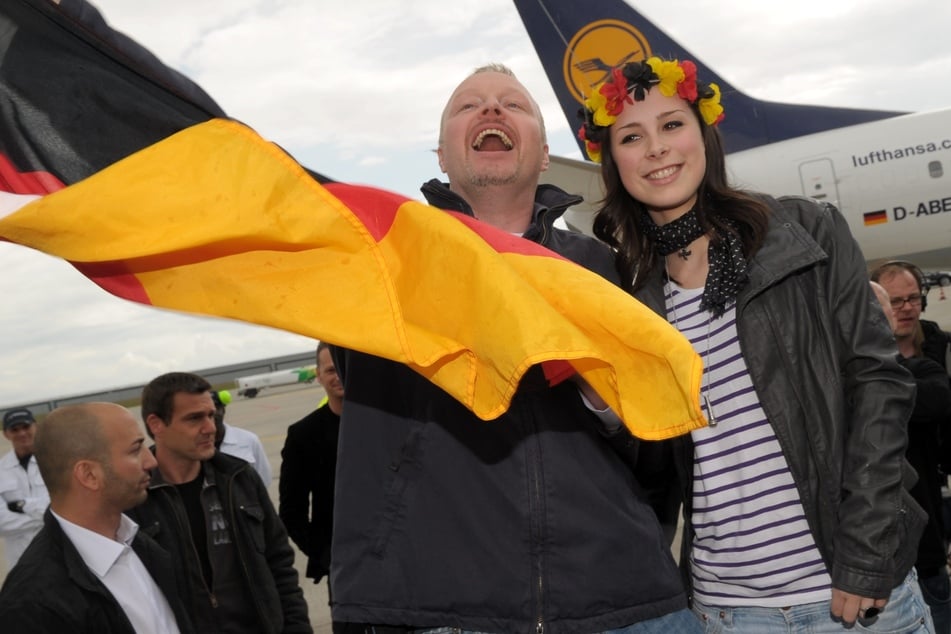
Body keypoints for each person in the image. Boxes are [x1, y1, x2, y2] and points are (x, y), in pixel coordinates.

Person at [330, 64, 698, 633]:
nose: (492, 111)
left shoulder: (606, 269)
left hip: (625, 602)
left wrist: (605, 399)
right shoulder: (380, 267)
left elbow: (662, 446)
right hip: (440, 609)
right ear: (442, 157)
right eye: (467, 106)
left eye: (514, 104)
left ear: (545, 154)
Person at [580, 56, 930, 631]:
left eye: (672, 125)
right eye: (631, 136)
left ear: (703, 135)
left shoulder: (805, 230)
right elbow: (653, 466)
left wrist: (865, 559)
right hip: (727, 611)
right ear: (614, 161)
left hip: (853, 599)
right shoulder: (632, 298)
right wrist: (604, 408)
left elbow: (880, 387)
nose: (657, 149)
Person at [129, 371, 311, 633]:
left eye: (211, 415)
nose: (210, 427)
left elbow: (280, 564)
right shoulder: (135, 497)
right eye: (194, 418)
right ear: (156, 424)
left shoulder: (239, 478)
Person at [0, 402, 193, 633]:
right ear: (89, 475)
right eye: (135, 450)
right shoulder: (32, 604)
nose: (151, 461)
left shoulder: (147, 545)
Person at [871, 275, 951, 631]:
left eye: (912, 299)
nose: (905, 309)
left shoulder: (929, 363)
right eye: (895, 301)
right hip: (877, 554)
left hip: (928, 537)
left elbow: (935, 401)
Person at [280, 342, 357, 634]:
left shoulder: (385, 426)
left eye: (345, 368)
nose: (339, 375)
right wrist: (326, 555)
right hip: (345, 571)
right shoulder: (304, 435)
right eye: (330, 369)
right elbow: (291, 511)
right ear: (319, 375)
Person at [0, 407, 49, 574]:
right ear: (6, 434)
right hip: (21, 561)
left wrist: (22, 506)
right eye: (15, 429)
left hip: (57, 552)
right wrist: (45, 516)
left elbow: (65, 505)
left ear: (36, 427)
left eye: (26, 427)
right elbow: (1, 523)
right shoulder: (1, 470)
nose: (21, 433)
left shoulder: (55, 461)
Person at [212, 389, 273, 486]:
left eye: (215, 409)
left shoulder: (249, 439)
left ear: (223, 410)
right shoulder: (191, 445)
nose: (212, 415)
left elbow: (264, 478)